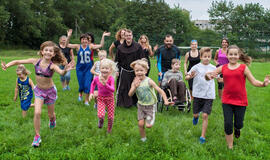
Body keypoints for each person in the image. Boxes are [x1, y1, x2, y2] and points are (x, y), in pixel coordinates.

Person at [1, 41, 73, 147]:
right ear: (42, 52)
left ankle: (52, 120)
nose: (48, 52)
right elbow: (17, 61)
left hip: (50, 92)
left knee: (51, 115)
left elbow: (61, 72)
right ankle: (37, 136)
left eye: (50, 51)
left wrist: (65, 70)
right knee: (37, 113)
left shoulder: (52, 66)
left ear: (53, 54)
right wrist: (7, 65)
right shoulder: (35, 62)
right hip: (39, 91)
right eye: (46, 50)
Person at [206, 45, 270, 149]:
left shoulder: (243, 68)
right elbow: (210, 75)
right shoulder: (223, 67)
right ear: (227, 55)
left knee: (239, 123)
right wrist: (208, 76)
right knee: (227, 123)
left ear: (239, 55)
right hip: (227, 101)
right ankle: (230, 146)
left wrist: (263, 84)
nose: (233, 56)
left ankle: (237, 128)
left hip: (241, 101)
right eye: (231, 54)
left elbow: (254, 81)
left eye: (235, 54)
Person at [128, 58, 171, 142]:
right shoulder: (135, 81)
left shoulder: (149, 81)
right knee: (140, 124)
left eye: (141, 70)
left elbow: (161, 91)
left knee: (148, 125)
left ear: (146, 70)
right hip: (140, 105)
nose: (139, 72)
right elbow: (130, 94)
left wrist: (165, 100)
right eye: (137, 71)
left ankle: (152, 117)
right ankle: (143, 138)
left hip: (151, 105)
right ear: (134, 71)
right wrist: (134, 87)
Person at [66, 29, 110, 105]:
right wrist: (69, 36)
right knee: (81, 84)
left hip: (88, 68)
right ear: (81, 40)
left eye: (86, 39)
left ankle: (86, 100)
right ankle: (80, 94)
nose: (84, 41)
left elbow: (101, 45)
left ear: (88, 40)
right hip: (79, 68)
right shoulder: (77, 46)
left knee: (87, 84)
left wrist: (103, 36)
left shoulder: (91, 46)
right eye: (83, 39)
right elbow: (67, 45)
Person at [185, 47, 216, 144]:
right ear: (201, 57)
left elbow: (220, 78)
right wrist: (190, 76)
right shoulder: (196, 67)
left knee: (205, 115)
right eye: (205, 56)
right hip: (198, 95)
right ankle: (195, 117)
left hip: (209, 95)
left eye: (209, 56)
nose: (207, 58)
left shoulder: (214, 68)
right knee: (195, 113)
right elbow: (187, 77)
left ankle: (202, 136)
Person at [115, 29, 145, 108]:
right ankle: (123, 103)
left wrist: (142, 69)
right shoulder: (120, 47)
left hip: (135, 71)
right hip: (123, 71)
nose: (128, 37)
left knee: (137, 86)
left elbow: (142, 59)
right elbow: (117, 61)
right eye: (127, 35)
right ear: (124, 37)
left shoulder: (138, 46)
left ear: (132, 36)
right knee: (123, 87)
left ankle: (137, 102)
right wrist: (117, 70)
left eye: (130, 35)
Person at [89, 58, 117, 133]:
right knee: (101, 115)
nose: (104, 70)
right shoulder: (97, 78)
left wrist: (106, 84)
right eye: (102, 68)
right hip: (101, 99)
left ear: (110, 70)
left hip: (110, 99)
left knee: (110, 117)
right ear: (100, 69)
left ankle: (109, 129)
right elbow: (93, 84)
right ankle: (101, 121)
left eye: (106, 68)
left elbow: (113, 89)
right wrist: (91, 93)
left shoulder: (111, 79)